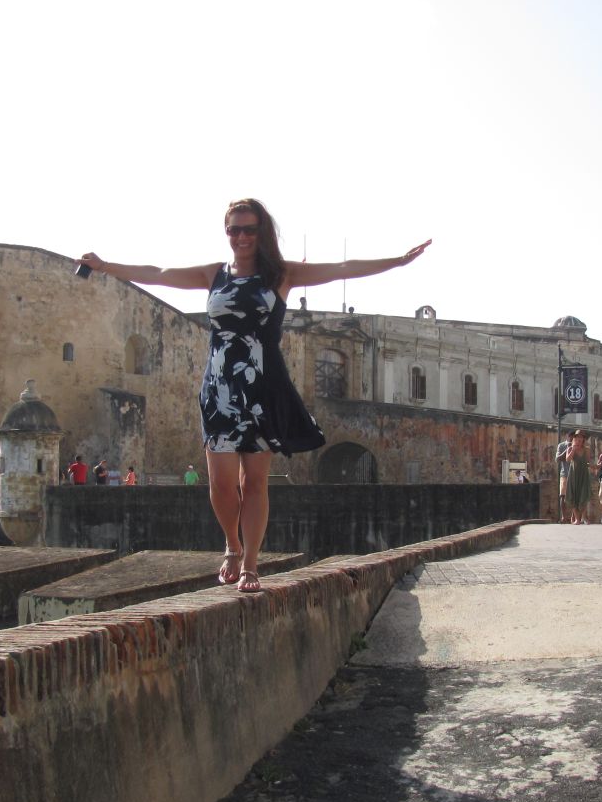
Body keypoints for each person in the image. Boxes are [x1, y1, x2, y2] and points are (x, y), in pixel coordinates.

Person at [82, 198, 430, 593]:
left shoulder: (280, 274)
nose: (242, 236)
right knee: (220, 484)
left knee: (255, 483)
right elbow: (158, 274)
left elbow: (342, 268)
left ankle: (250, 563)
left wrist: (397, 261)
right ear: (226, 231)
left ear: (261, 231)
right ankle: (231, 544)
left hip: (263, 388)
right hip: (219, 387)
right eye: (234, 229)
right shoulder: (214, 274)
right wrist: (106, 266)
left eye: (249, 229)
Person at [564, 430, 592, 524]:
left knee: (583, 494)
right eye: (577, 437)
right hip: (574, 474)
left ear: (583, 439)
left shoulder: (587, 449)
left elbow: (588, 461)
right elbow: (568, 460)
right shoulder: (570, 448)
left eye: (581, 437)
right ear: (574, 438)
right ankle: (577, 519)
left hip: (583, 474)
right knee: (573, 495)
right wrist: (573, 449)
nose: (579, 439)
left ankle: (584, 517)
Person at [555, 436, 570, 522]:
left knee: (576, 496)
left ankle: (575, 517)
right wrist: (567, 449)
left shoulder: (579, 445)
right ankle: (564, 517)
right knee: (563, 495)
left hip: (575, 474)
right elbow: (557, 459)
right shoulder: (561, 446)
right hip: (564, 474)